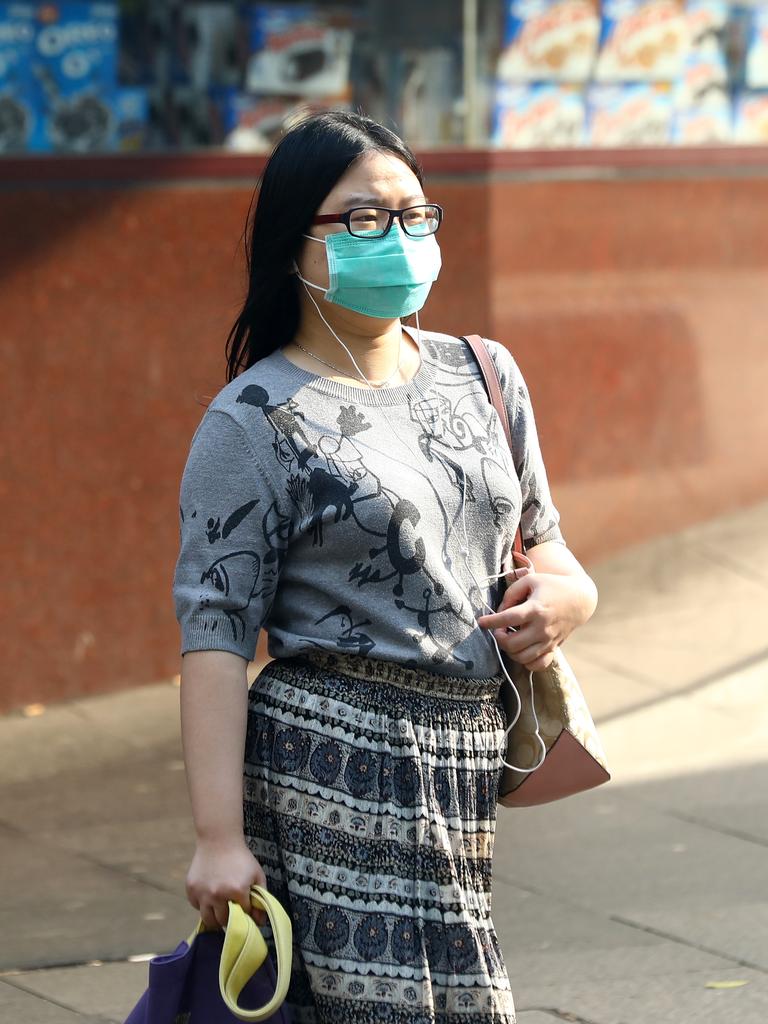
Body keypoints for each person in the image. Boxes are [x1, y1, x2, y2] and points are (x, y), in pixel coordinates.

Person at [172, 110, 597, 1023]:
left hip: (463, 751)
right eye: (363, 220)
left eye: (413, 215)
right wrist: (217, 837)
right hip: (330, 757)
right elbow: (213, 635)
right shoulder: (252, 419)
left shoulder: (482, 372)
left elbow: (546, 539)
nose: (396, 240)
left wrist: (570, 594)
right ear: (297, 242)